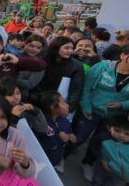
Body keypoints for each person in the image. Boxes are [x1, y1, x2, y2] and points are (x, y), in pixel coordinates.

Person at [76, 46, 129, 179]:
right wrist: (86, 107)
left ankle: (87, 163)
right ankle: (61, 157)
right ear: (123, 55)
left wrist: (122, 105)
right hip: (91, 110)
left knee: (102, 143)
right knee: (79, 136)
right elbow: (86, 87)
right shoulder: (102, 67)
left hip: (114, 117)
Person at [0, 32, 46, 100]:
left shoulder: (10, 59)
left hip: (10, 99)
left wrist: (18, 61)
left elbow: (41, 65)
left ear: (2, 46)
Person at [37, 36, 84, 112]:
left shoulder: (76, 65)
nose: (70, 51)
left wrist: (69, 108)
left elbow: (76, 89)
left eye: (72, 48)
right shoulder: (43, 60)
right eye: (66, 48)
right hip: (40, 101)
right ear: (56, 47)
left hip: (61, 105)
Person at [36, 91, 75, 173]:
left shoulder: (65, 121)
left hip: (53, 164)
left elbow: (71, 136)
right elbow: (37, 144)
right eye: (64, 102)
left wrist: (71, 137)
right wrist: (57, 138)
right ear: (53, 107)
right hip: (38, 162)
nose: (67, 105)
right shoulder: (42, 124)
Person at [92, 114, 129, 186]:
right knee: (96, 181)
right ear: (109, 128)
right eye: (117, 130)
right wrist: (101, 159)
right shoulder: (103, 137)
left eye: (127, 134)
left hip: (119, 175)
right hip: (102, 166)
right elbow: (93, 146)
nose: (121, 135)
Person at [16, 34, 46, 102]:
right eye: (31, 46)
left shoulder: (39, 64)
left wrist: (11, 77)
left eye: (38, 48)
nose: (34, 50)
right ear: (25, 44)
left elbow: (30, 84)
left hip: (21, 97)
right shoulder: (15, 54)